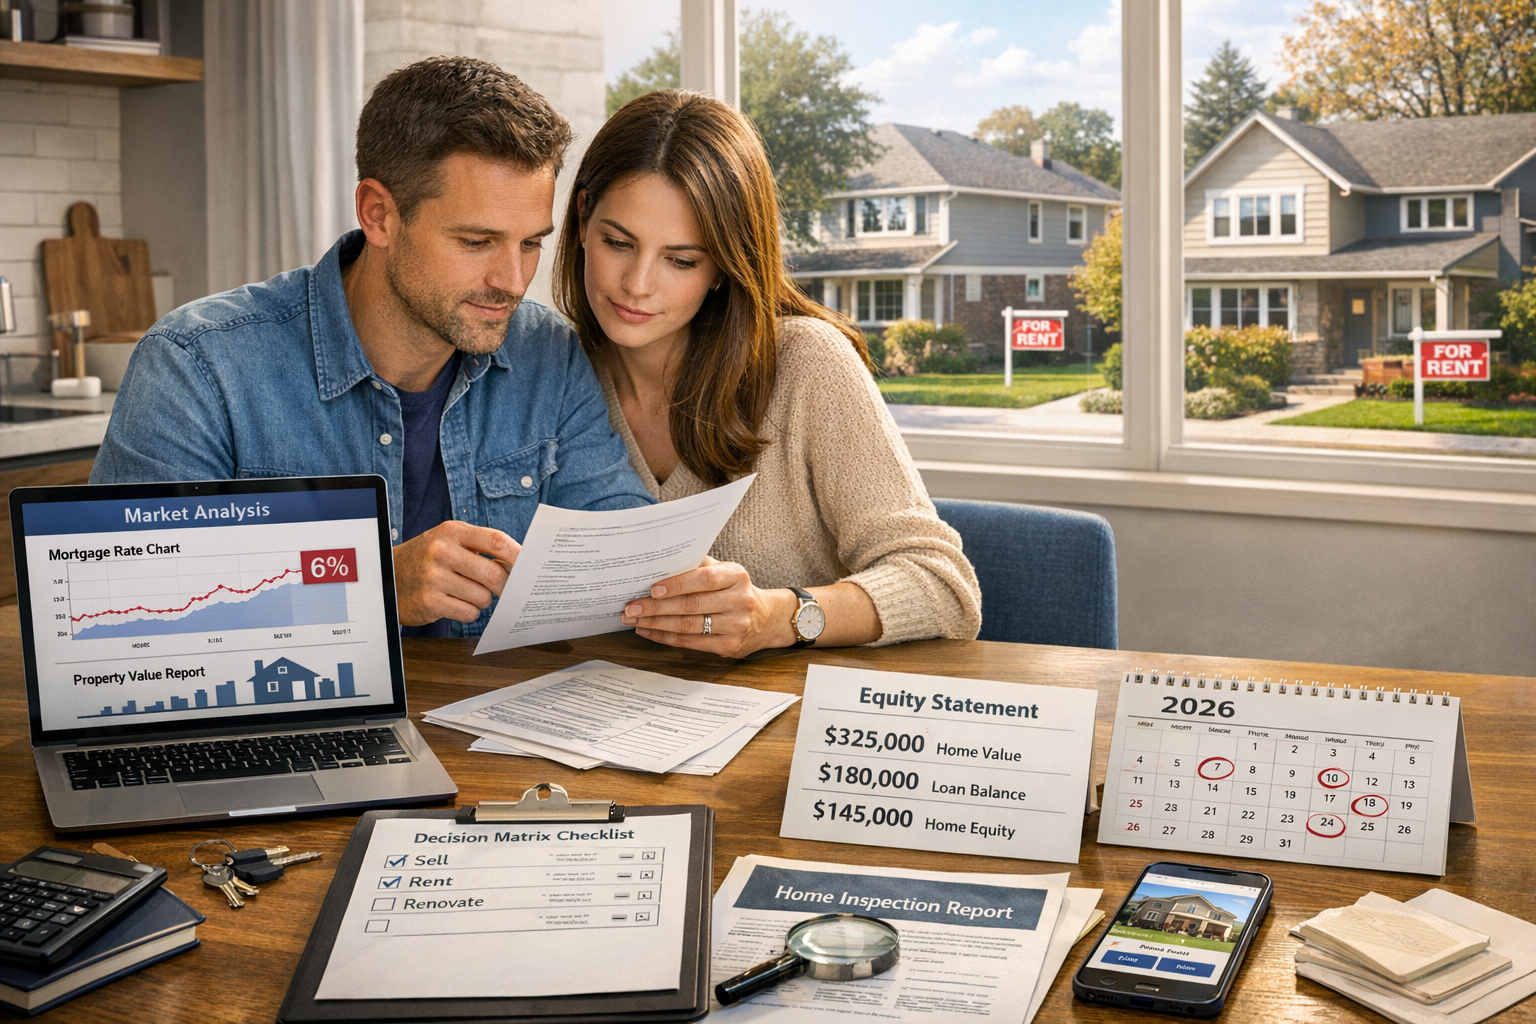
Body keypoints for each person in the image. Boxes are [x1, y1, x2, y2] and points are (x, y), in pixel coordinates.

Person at [90, 57, 654, 637]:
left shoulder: (546, 353)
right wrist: (370, 585)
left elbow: (622, 547)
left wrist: (692, 594)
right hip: (290, 718)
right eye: (476, 241)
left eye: (530, 243)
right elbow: (126, 614)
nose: (513, 280)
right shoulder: (197, 366)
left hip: (494, 720)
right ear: (378, 214)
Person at [553, 90, 982, 658]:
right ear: (582, 219)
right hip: (614, 719)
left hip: (793, 727)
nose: (637, 283)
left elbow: (945, 589)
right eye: (618, 243)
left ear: (725, 265)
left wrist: (778, 616)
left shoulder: (807, 363)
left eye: (681, 260)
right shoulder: (551, 374)